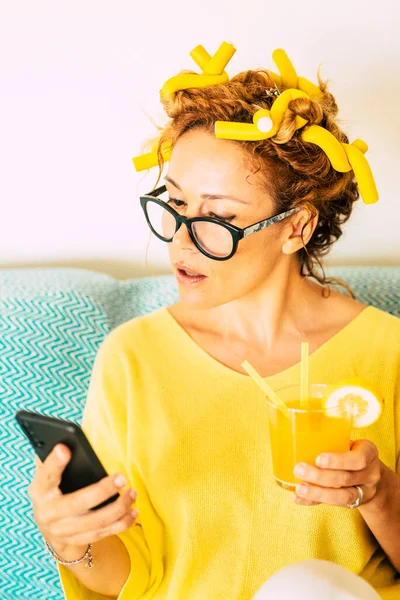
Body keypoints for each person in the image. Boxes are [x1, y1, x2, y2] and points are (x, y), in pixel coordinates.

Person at [28, 43, 400, 600]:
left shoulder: (387, 352)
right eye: (174, 205)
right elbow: (127, 578)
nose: (181, 241)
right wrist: (69, 538)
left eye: (219, 218)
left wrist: (377, 493)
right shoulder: (132, 357)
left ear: (296, 227)